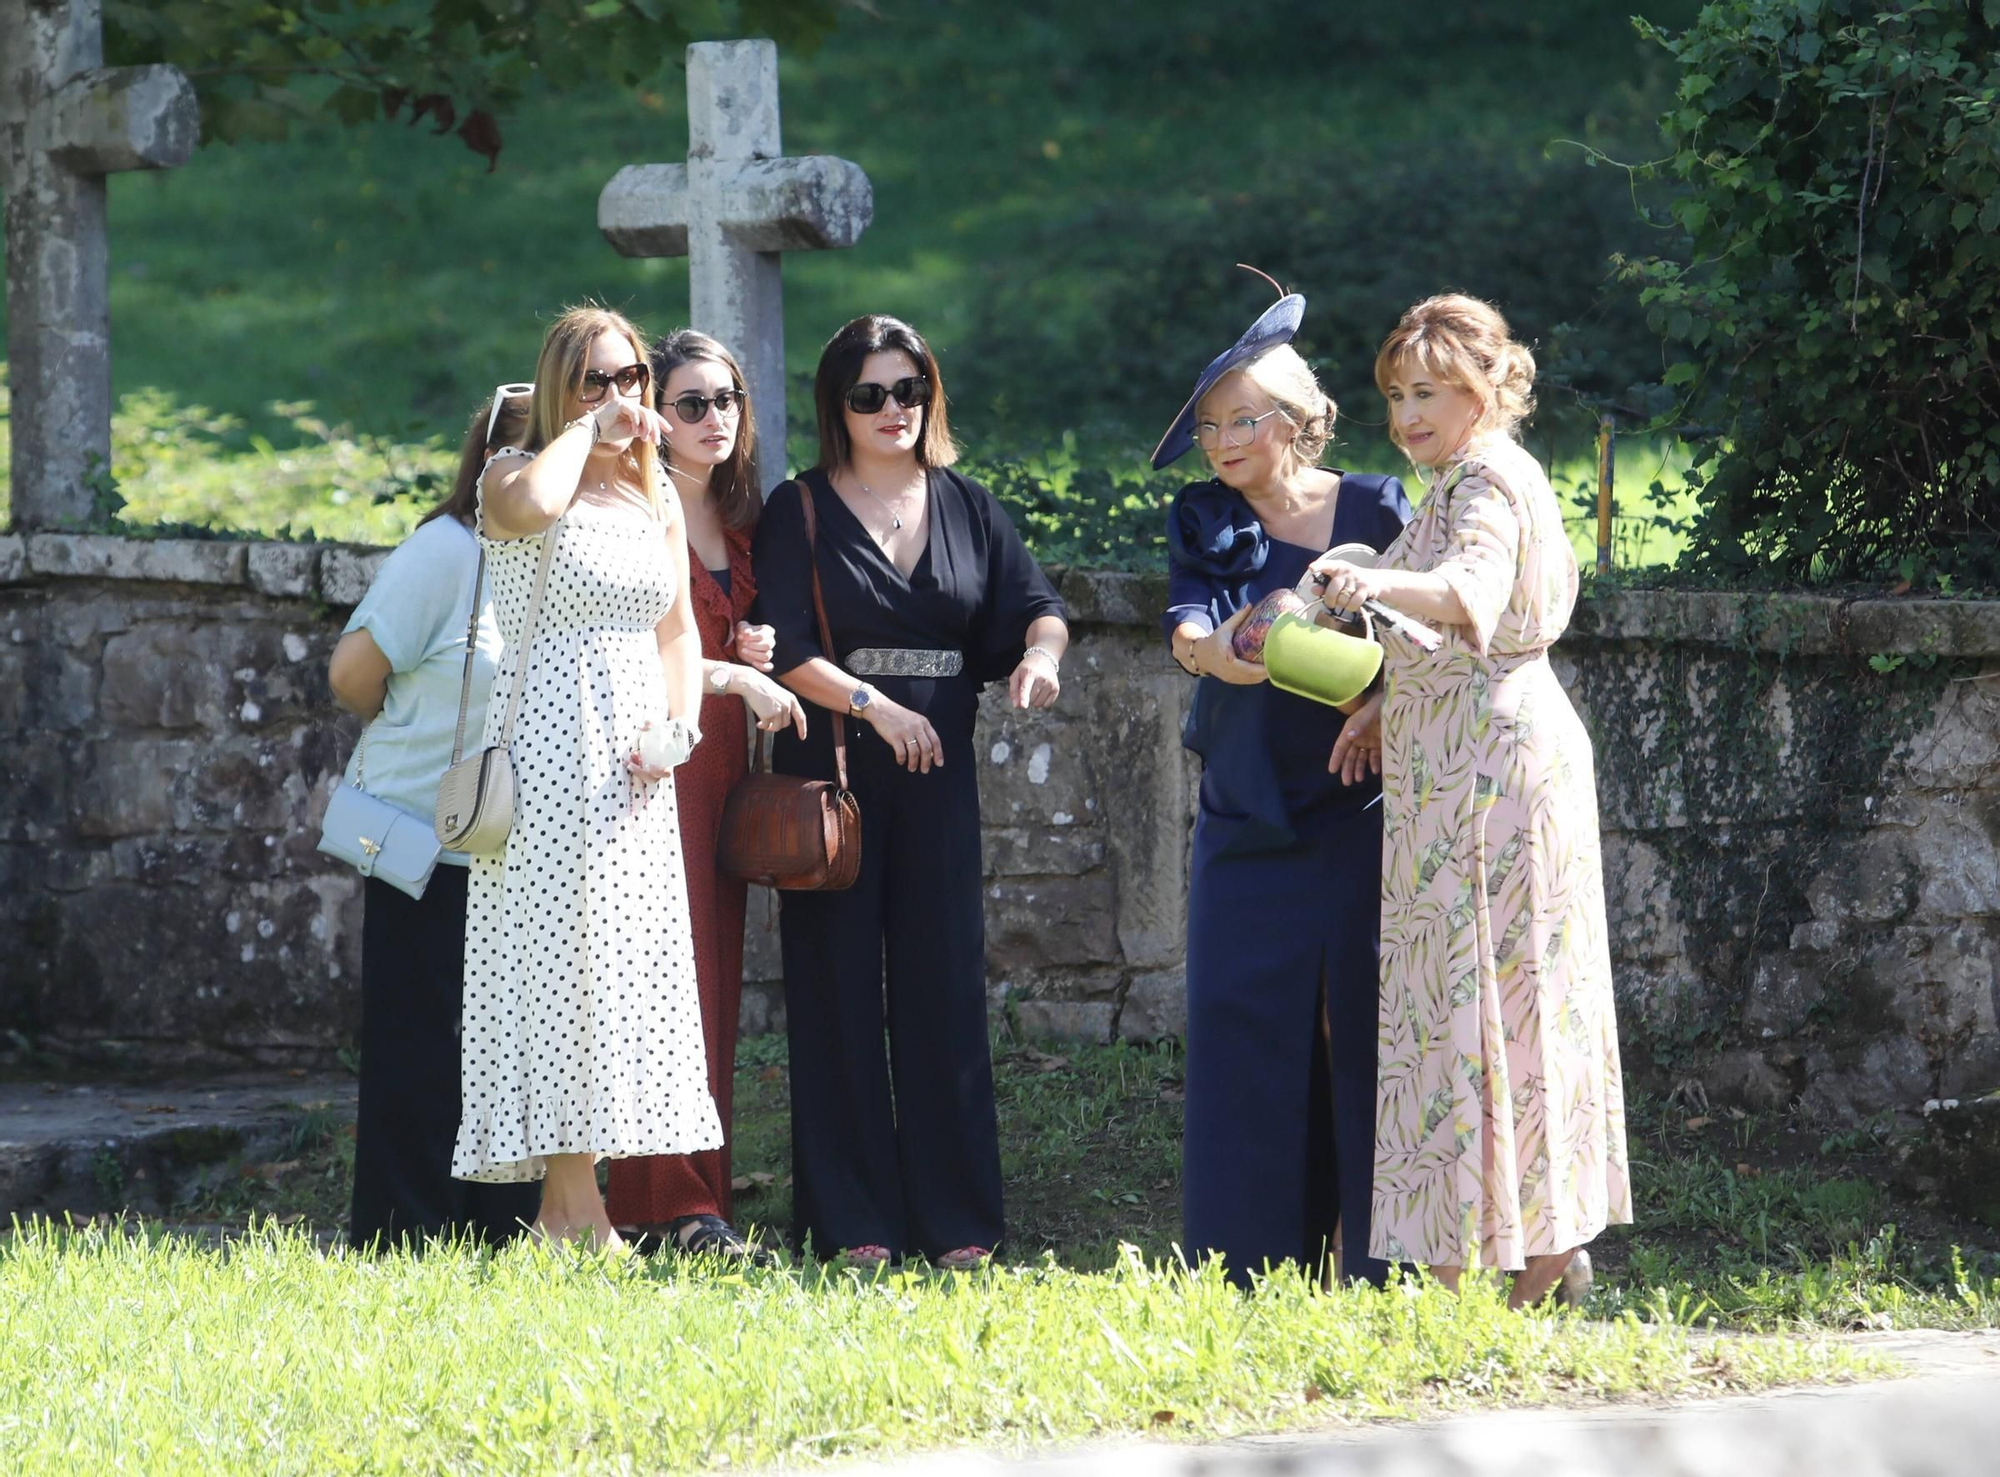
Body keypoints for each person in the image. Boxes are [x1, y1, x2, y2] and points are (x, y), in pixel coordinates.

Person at [1314, 294, 1631, 1307]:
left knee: (1480, 1007)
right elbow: (1442, 621)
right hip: (1463, 753)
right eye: (1397, 394)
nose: (1407, 415)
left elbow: (1466, 595)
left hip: (1487, 775)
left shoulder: (1485, 477)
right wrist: (1380, 698)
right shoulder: (1459, 476)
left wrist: (1361, 581)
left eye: (1430, 393)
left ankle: (1486, 1263)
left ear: (1485, 389)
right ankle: (1540, 1250)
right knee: (1499, 1004)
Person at [752, 314, 1068, 1270]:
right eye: (871, 395)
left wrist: (1041, 661)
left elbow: (1036, 608)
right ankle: (854, 1221)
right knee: (835, 988)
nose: (895, 409)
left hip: (940, 779)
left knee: (944, 986)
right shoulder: (797, 508)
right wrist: (875, 707)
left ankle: (957, 1218)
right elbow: (785, 648)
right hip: (833, 777)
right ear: (837, 407)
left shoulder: (969, 505)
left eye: (911, 390)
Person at [452, 305, 723, 1252]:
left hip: (633, 768)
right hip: (547, 753)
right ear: (561, 388)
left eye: (632, 380)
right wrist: (579, 432)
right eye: (595, 380)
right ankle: (577, 1216)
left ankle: (573, 1216)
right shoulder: (512, 476)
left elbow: (678, 631)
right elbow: (528, 511)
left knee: (616, 972)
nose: (620, 397)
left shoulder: (659, 500)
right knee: (558, 971)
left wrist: (679, 724)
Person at [1155, 291, 1411, 1289]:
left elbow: (1427, 644)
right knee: (1239, 1028)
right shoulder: (1201, 515)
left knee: (1364, 1030)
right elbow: (1193, 644)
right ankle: (1245, 1268)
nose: (1220, 441)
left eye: (1242, 418)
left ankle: (1382, 1263)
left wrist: (1387, 704)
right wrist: (1240, 640)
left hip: (1361, 809)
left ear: (1299, 421)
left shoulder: (1379, 507)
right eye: (1209, 424)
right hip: (1246, 808)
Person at [605, 329, 806, 1260]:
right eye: (691, 404)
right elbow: (634, 650)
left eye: (727, 400)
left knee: (715, 974)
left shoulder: (737, 519)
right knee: (665, 977)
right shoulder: (636, 506)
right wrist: (731, 674)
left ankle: (701, 1200)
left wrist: (748, 653)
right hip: (658, 764)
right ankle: (662, 1204)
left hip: (727, 760)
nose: (714, 419)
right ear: (658, 415)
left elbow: (711, 638)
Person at [328, 387, 542, 1251]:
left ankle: (500, 1234)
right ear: (489, 464)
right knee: (418, 1053)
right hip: (427, 842)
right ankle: (402, 1238)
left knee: (506, 1055)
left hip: (523, 855)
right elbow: (353, 674)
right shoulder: (446, 552)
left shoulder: (561, 564)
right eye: (529, 457)